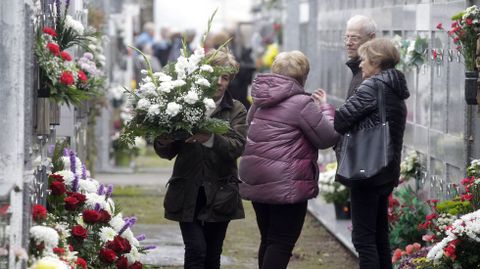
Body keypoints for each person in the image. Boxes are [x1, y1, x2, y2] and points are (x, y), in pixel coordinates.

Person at [239, 51, 339, 269]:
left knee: (268, 239)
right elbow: (327, 137)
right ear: (303, 76)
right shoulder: (302, 103)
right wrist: (325, 109)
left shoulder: (260, 101)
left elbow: (250, 124)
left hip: (258, 176)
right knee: (281, 242)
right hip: (286, 182)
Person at [153, 48, 247, 269]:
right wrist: (164, 142)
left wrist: (211, 139)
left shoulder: (236, 110)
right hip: (188, 190)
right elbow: (166, 151)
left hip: (221, 192)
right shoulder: (185, 104)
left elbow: (237, 147)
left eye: (225, 77)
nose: (220, 82)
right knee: (196, 251)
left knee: (213, 254)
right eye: (214, 75)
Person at [333, 38, 410, 269]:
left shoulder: (372, 86)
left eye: (364, 60)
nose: (360, 65)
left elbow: (341, 120)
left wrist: (325, 110)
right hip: (386, 169)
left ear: (376, 62)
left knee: (363, 239)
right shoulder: (395, 87)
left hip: (368, 170)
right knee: (379, 236)